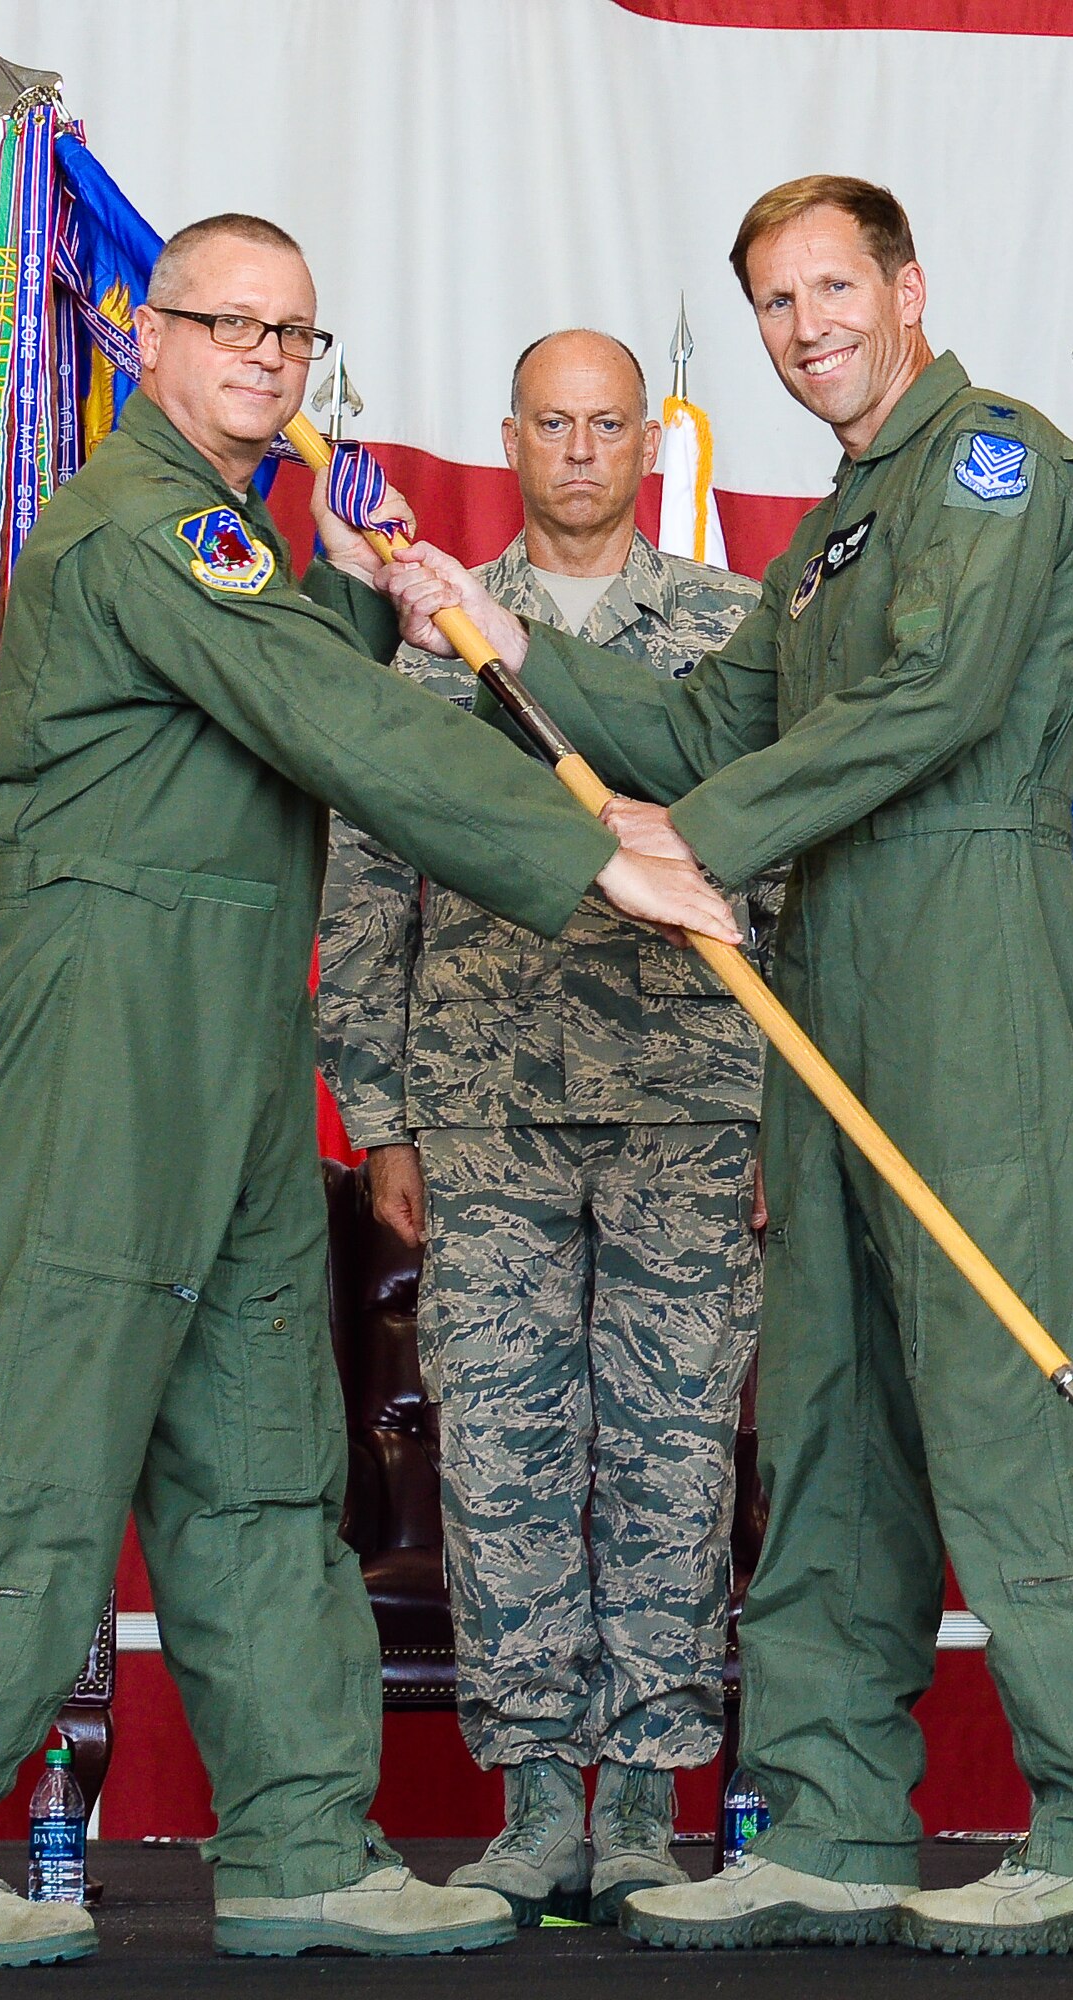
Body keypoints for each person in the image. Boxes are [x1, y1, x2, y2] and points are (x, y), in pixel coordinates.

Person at [0, 213, 739, 1971]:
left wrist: (346, 581)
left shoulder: (234, 541)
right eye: (227, 322)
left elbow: (285, 681)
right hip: (103, 1009)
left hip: (230, 1017)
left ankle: (302, 1836)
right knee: (32, 1413)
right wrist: (592, 852)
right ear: (144, 336)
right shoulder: (136, 518)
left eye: (294, 334)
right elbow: (335, 723)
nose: (264, 355)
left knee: (261, 1444)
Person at [384, 176, 1073, 1957]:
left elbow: (932, 705)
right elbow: (695, 722)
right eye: (771, 299)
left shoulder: (998, 467)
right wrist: (501, 636)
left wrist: (695, 849)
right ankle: (831, 1818)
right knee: (830, 1402)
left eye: (833, 285)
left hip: (964, 946)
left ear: (908, 286)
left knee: (999, 1373)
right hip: (823, 959)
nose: (805, 322)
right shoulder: (835, 528)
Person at [317, 328, 774, 1926]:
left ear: (650, 443)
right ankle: (533, 1806)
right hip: (486, 1112)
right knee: (503, 1457)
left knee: (670, 1460)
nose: (580, 451)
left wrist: (781, 1106)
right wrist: (381, 1115)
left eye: (607, 426)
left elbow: (782, 871)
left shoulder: (727, 630)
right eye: (551, 425)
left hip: (693, 1107)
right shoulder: (436, 638)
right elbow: (369, 880)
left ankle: (644, 1802)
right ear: (508, 439)